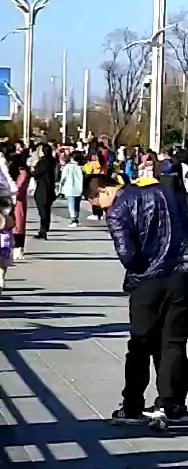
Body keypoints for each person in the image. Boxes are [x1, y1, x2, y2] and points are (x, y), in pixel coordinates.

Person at [88, 172, 188, 429]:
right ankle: (172, 404)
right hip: (182, 275)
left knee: (141, 344)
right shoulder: (168, 192)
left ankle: (132, 405)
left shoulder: (119, 208)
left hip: (148, 280)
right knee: (174, 342)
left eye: (98, 204)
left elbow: (127, 254)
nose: (102, 211)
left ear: (104, 191)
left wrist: (140, 269)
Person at [32, 142, 57, 240]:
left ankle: (43, 230)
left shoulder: (43, 162)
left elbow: (36, 173)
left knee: (43, 211)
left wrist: (32, 169)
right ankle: (44, 229)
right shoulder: (52, 161)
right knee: (46, 210)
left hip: (42, 189)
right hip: (49, 188)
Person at [59, 151, 85, 226]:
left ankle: (73, 219)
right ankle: (76, 217)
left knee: (71, 204)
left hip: (70, 187)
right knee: (77, 204)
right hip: (79, 187)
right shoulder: (81, 167)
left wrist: (61, 185)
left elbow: (63, 177)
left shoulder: (67, 166)